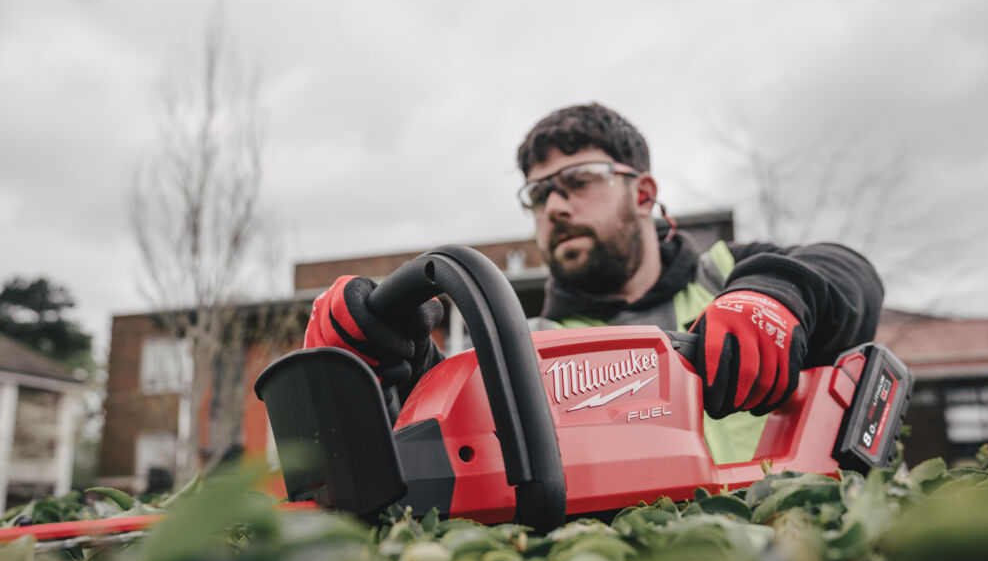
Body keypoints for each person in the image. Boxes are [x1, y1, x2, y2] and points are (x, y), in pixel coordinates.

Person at [304, 103, 883, 464]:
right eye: (538, 194)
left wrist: (772, 297)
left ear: (644, 194)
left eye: (579, 180)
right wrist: (393, 360)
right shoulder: (527, 344)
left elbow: (849, 275)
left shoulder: (728, 272)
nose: (555, 206)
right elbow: (456, 434)